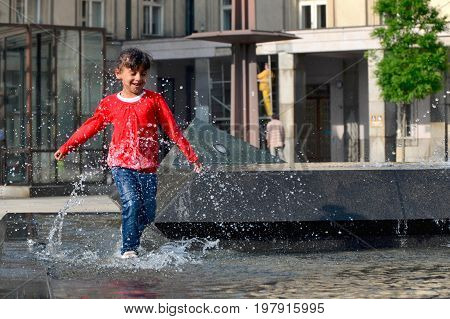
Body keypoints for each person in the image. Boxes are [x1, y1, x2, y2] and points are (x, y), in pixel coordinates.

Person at [54, 48, 202, 259]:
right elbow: (91, 126)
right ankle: (128, 249)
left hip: (148, 167)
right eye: (132, 73)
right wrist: (67, 146)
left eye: (143, 74)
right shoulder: (110, 104)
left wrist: (191, 156)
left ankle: (129, 234)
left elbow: (172, 130)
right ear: (118, 74)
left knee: (148, 213)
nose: (138, 78)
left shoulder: (154, 100)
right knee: (131, 202)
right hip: (121, 164)